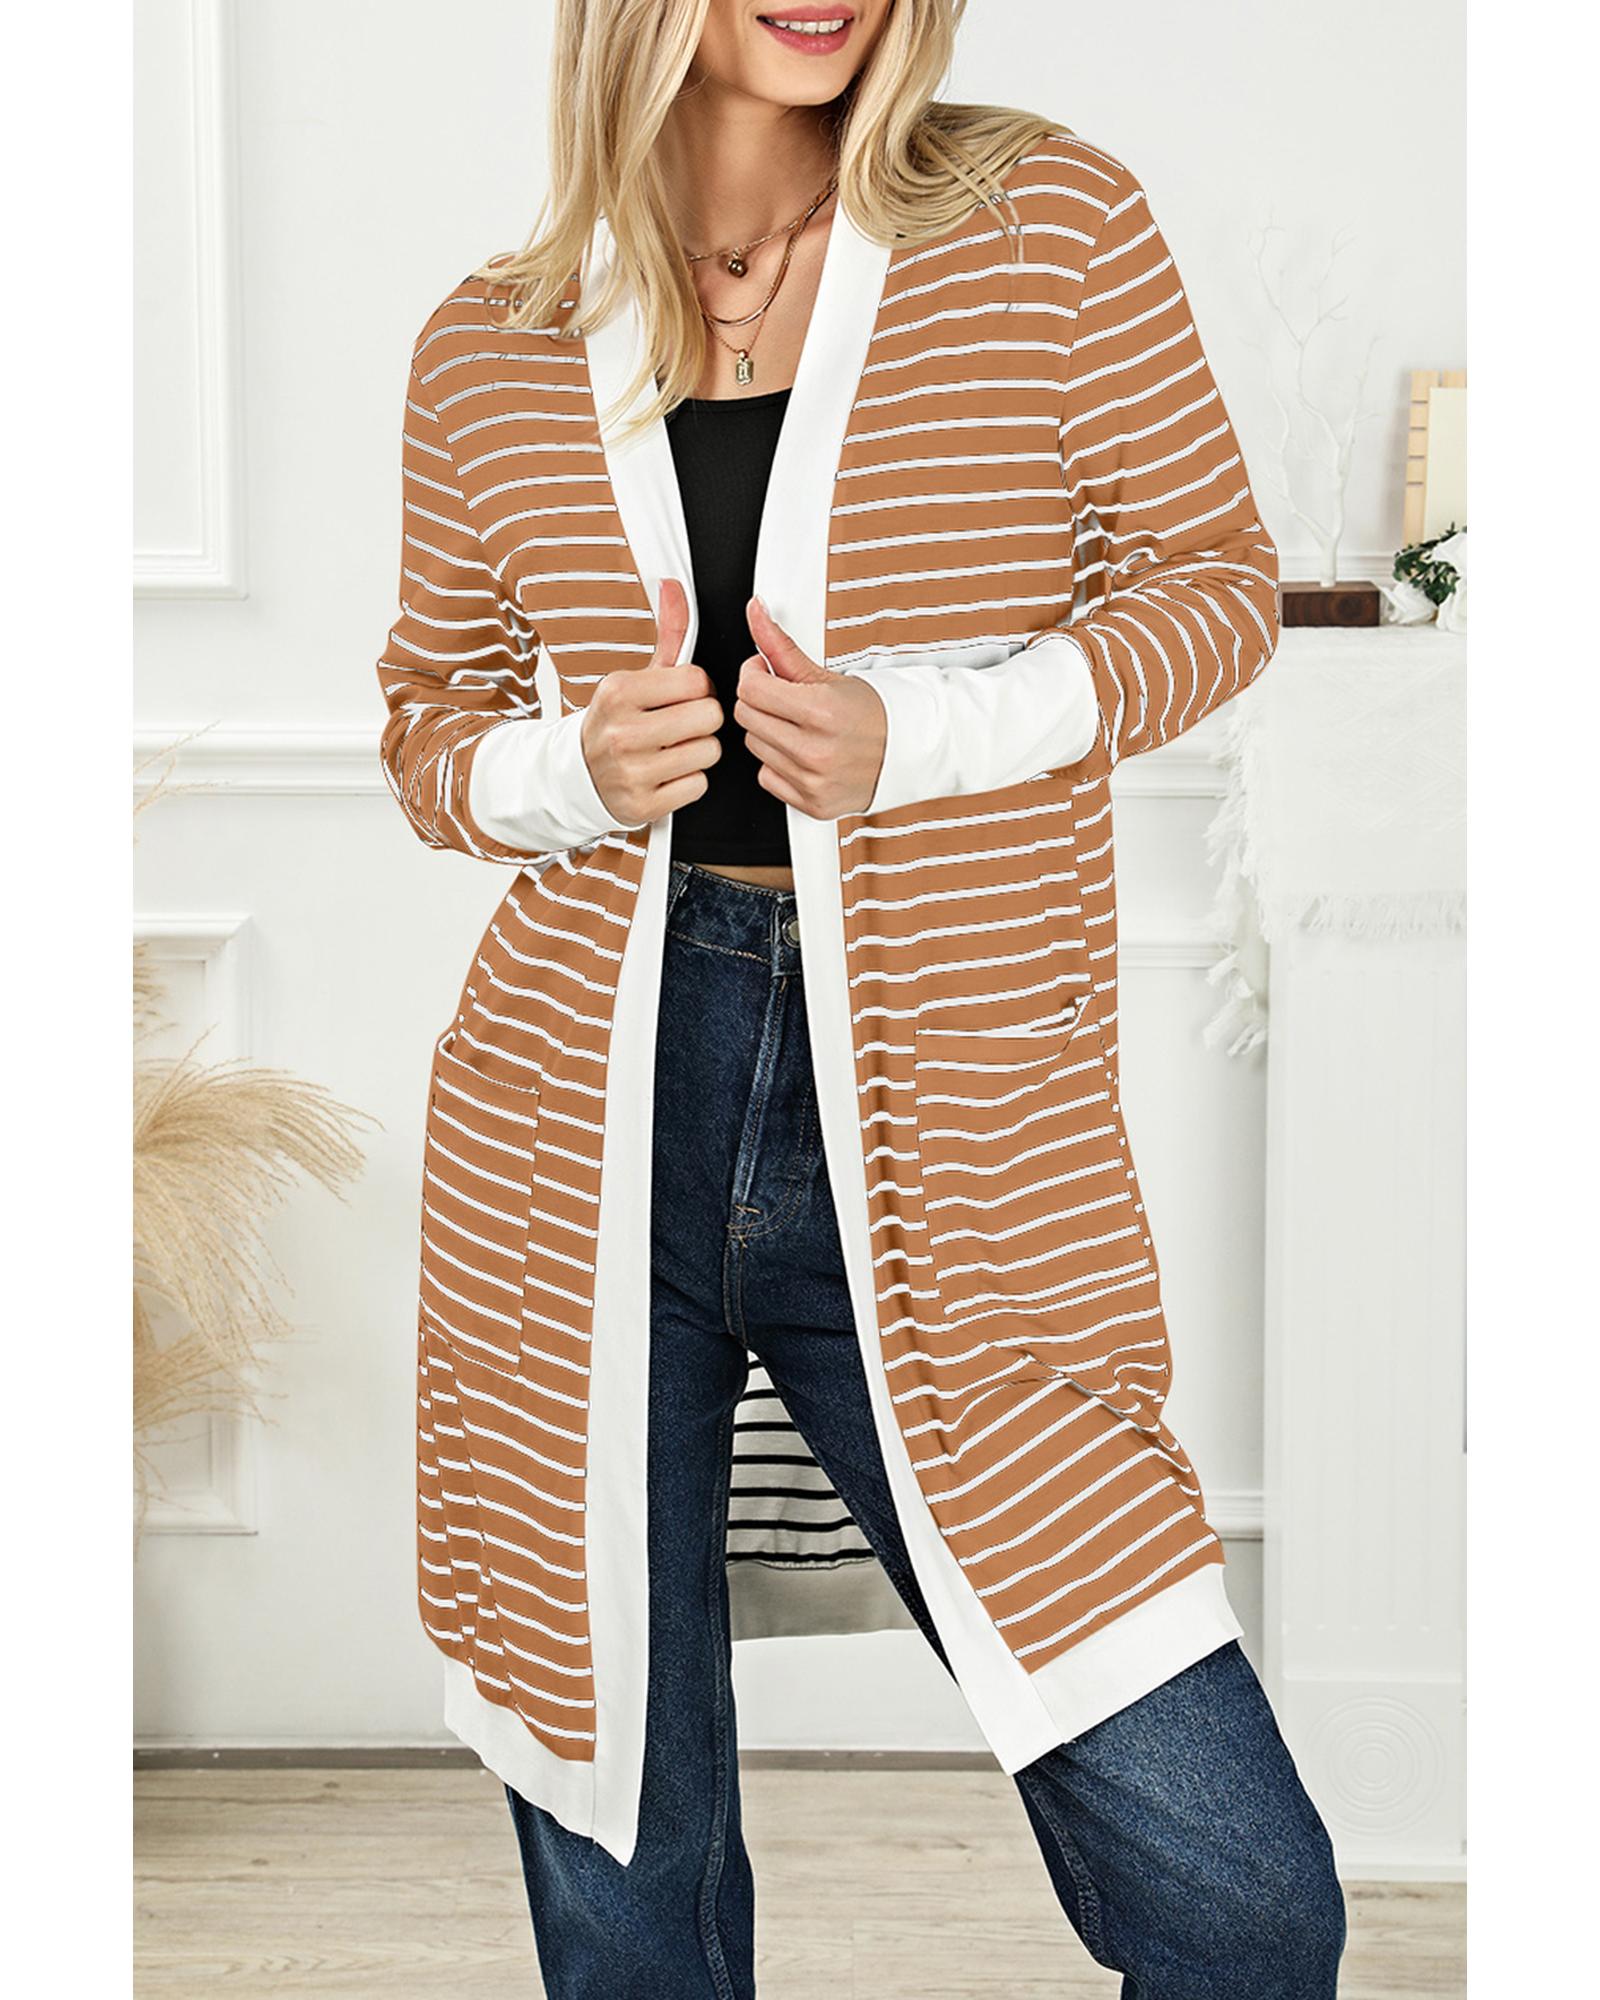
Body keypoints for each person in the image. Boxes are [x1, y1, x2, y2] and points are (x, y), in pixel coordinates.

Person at [374, 2, 1347, 1993]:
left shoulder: (1043, 224)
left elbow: (1213, 584)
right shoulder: (493, 340)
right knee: (628, 1868)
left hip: (949, 1108)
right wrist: (575, 769)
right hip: (581, 1129)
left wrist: (932, 733)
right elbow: (425, 722)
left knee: (1240, 1898)